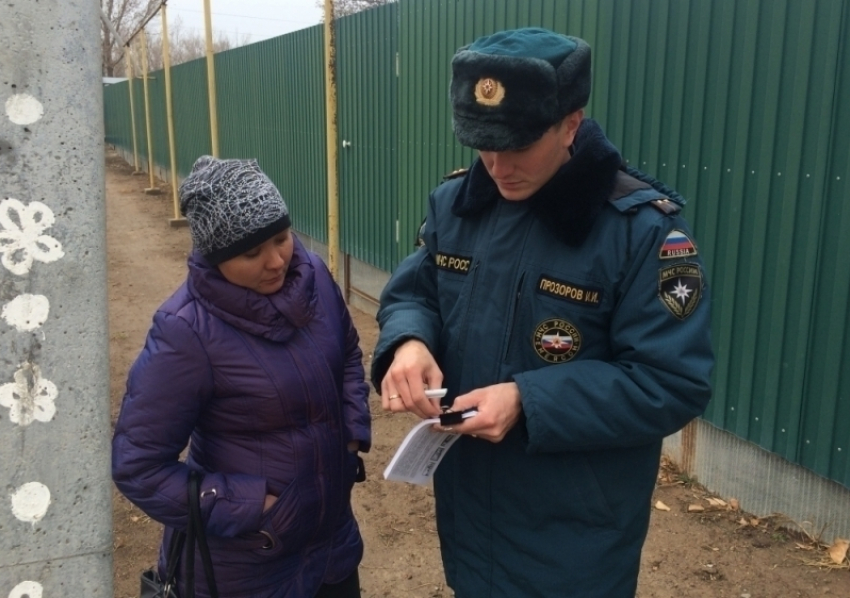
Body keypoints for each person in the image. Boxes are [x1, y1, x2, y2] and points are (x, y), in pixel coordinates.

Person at [372, 28, 713, 598]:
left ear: (570, 125)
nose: (498, 166)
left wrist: (528, 400)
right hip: (471, 520)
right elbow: (415, 292)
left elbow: (670, 381)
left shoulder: (643, 234)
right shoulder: (456, 205)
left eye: (519, 145)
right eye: (484, 143)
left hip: (574, 541)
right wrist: (409, 340)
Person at [112, 156, 371, 598]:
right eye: (251, 252)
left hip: (331, 550)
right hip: (247, 568)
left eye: (281, 238)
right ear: (215, 257)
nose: (276, 261)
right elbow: (137, 467)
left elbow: (346, 353)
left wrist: (351, 431)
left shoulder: (315, 277)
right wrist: (254, 507)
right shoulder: (185, 331)